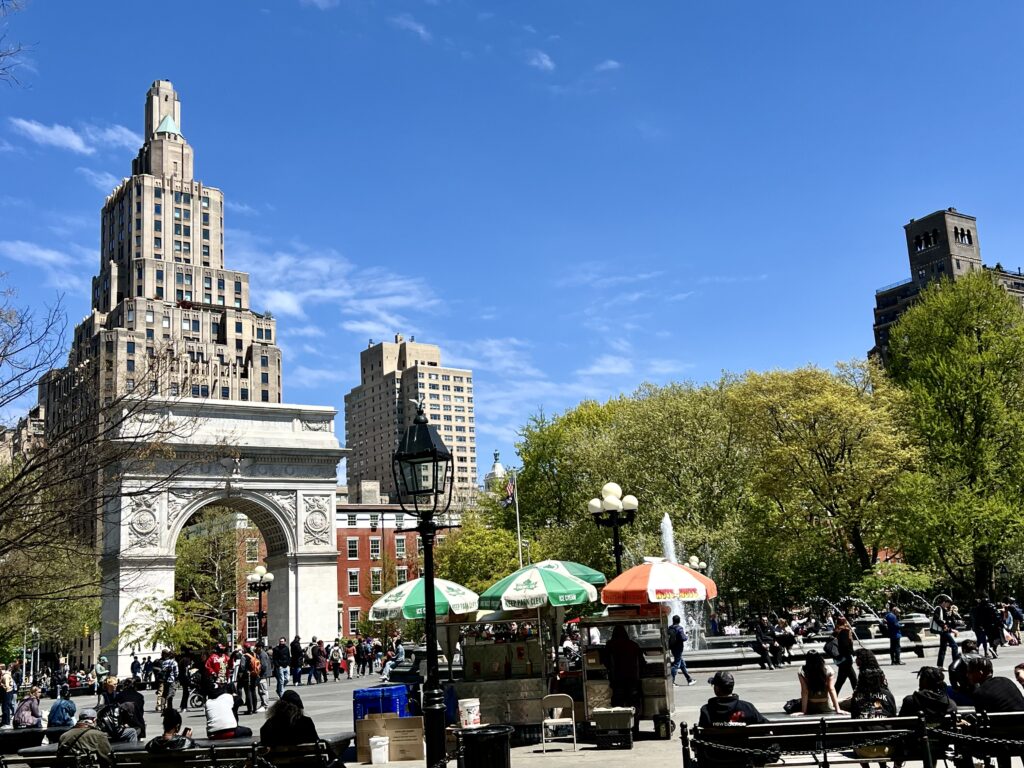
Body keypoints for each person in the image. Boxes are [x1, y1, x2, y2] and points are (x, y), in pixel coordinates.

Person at [259, 689, 329, 751]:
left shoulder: (270, 723)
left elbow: (264, 742)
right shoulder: (306, 722)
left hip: (278, 764)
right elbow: (315, 741)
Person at [698, 670, 769, 726]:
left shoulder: (707, 710)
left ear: (716, 689)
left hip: (716, 743)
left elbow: (701, 735)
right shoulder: (748, 707)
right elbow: (765, 725)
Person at [604, 624, 644, 721]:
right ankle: (635, 725)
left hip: (617, 679)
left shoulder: (610, 645)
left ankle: (620, 723)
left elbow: (605, 661)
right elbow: (642, 662)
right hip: (632, 679)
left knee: (618, 704)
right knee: (633, 703)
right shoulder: (633, 645)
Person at [797, 650, 840, 715]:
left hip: (811, 706)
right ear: (820, 658)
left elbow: (805, 691)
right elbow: (831, 689)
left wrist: (803, 711)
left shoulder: (802, 670)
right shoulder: (828, 669)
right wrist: (838, 709)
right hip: (826, 705)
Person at [947, 639, 979, 706]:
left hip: (966, 688)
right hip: (981, 687)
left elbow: (952, 668)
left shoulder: (962, 657)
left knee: (947, 690)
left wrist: (954, 686)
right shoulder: (982, 657)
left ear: (964, 649)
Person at [933, 595, 960, 668]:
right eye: (948, 603)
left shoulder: (944, 610)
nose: (949, 605)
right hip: (944, 631)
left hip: (945, 631)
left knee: (943, 648)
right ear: (944, 602)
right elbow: (936, 618)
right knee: (954, 646)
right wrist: (944, 625)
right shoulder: (938, 608)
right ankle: (956, 664)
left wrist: (952, 614)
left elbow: (951, 622)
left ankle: (940, 665)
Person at [668, 615, 695, 686]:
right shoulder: (679, 628)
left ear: (673, 620)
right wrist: (686, 635)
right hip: (678, 648)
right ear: (679, 621)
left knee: (682, 665)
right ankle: (672, 681)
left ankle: (689, 680)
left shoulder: (670, 628)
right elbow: (683, 638)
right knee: (676, 664)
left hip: (673, 648)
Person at [833, 617, 857, 694]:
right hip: (846, 659)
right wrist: (852, 652)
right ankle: (859, 697)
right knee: (841, 681)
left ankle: (858, 697)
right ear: (845, 622)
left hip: (842, 658)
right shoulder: (845, 631)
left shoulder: (836, 631)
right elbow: (845, 645)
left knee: (853, 679)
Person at [256, 643, 272, 711]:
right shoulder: (263, 654)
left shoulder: (262, 654)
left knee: (263, 690)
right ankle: (263, 704)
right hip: (263, 675)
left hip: (263, 675)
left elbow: (264, 666)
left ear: (260, 647)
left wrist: (260, 673)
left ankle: (265, 705)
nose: (256, 648)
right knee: (262, 690)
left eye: (257, 647)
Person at [1, 663, 16, 728]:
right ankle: (5, 721)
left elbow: (7, 686)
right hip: (8, 692)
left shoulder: (5, 676)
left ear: (1, 668)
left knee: (5, 707)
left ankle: (6, 722)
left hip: (7, 692)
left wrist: (2, 685)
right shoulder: (5, 675)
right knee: (5, 707)